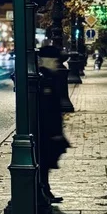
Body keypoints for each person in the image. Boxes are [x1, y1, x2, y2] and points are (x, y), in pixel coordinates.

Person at [38, 46, 70, 203]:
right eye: (56, 60)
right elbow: (47, 108)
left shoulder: (50, 76)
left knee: (45, 162)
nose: (59, 64)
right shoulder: (44, 77)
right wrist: (54, 131)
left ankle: (45, 190)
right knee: (43, 161)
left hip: (48, 129)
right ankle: (43, 191)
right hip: (44, 130)